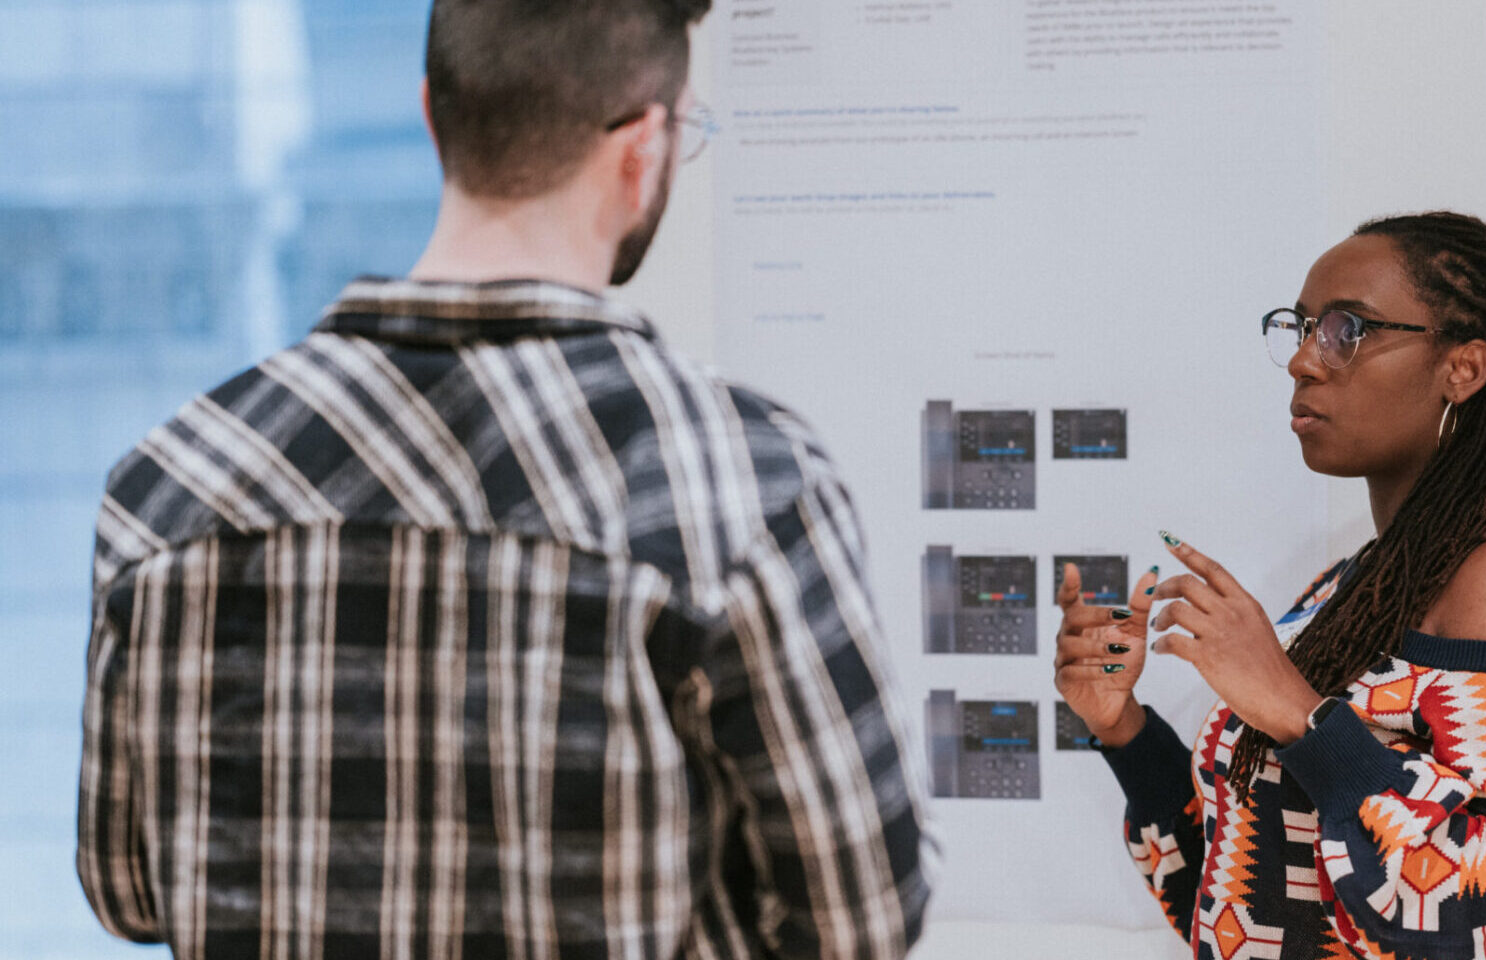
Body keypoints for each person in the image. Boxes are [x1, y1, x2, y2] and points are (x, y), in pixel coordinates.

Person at [75, 2, 935, 957]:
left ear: (434, 118)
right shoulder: (741, 486)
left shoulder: (170, 484)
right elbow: (860, 918)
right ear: (643, 149)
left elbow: (130, 893)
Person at [1054, 212, 1486, 960]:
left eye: (1345, 330)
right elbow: (1249, 899)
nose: (1303, 361)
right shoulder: (1364, 580)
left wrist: (1296, 710)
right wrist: (1120, 725)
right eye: (1301, 328)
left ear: (1464, 367)